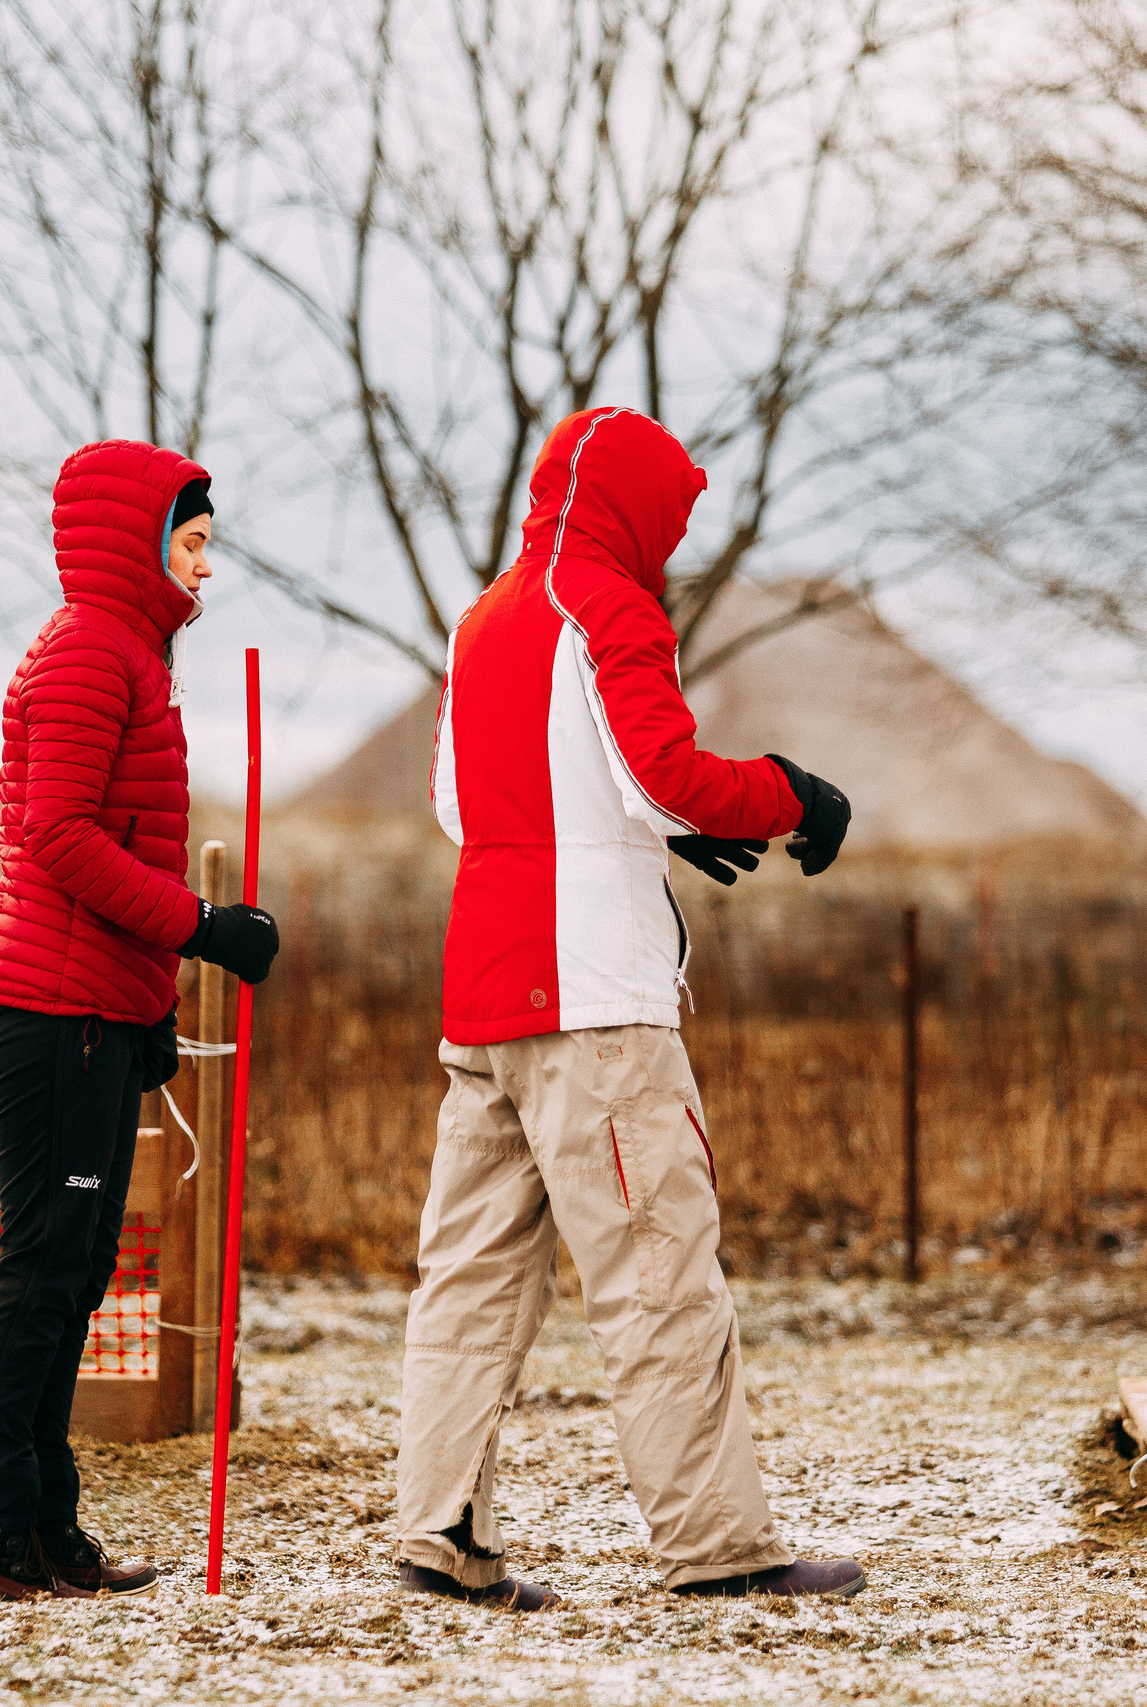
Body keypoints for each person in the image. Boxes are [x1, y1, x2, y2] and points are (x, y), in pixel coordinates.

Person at [398, 406, 859, 1609]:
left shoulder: (487, 615)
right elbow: (660, 772)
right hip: (594, 998)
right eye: (676, 514)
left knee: (472, 1279)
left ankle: (439, 1535)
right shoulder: (607, 603)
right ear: (636, 505)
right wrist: (787, 798)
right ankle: (718, 1547)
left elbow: (463, 806)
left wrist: (644, 827)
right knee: (657, 1270)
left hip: (483, 994)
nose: (678, 537)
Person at [0, 439, 280, 1600]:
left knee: (72, 1274)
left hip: (86, 1006)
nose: (204, 566)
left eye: (205, 545)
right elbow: (61, 838)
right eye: (191, 541)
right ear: (137, 539)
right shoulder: (91, 650)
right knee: (44, 1272)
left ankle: (42, 1530)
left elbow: (100, 846)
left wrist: (146, 1005)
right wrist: (204, 928)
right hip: (48, 1007)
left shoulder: (128, 651)